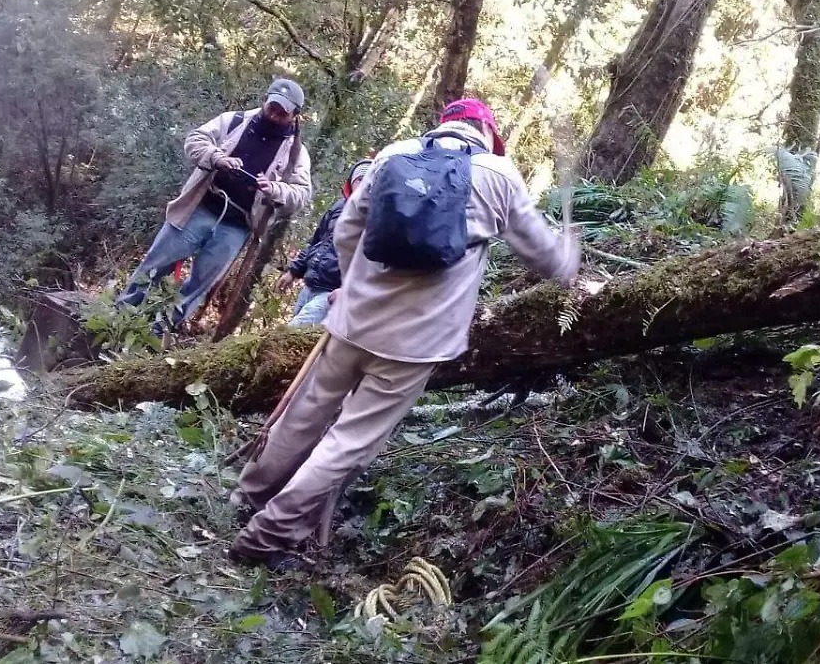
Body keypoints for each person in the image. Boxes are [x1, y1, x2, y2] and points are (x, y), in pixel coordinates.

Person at [229, 99, 581, 568]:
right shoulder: (499, 175)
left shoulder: (394, 155)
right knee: (348, 442)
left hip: (352, 321)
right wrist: (569, 253)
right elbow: (545, 257)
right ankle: (267, 536)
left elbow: (347, 231)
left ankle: (247, 498)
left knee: (303, 415)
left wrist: (355, 288)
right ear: (486, 133)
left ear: (445, 124)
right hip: (416, 343)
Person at [117, 79, 314, 331]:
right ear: (264, 101)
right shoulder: (235, 121)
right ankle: (118, 319)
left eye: (282, 113)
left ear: (295, 115)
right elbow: (195, 139)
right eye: (271, 108)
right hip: (198, 208)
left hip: (237, 226)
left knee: (199, 285)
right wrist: (217, 158)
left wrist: (275, 189)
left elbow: (302, 193)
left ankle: (157, 332)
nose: (274, 115)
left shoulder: (296, 153)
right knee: (154, 266)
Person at [278, 159, 374, 327]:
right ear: (351, 183)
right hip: (309, 287)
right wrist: (294, 271)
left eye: (368, 180)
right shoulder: (338, 207)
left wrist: (348, 291)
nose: (363, 185)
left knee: (292, 332)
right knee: (297, 337)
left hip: (331, 293)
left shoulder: (377, 218)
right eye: (359, 179)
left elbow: (371, 264)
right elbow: (316, 242)